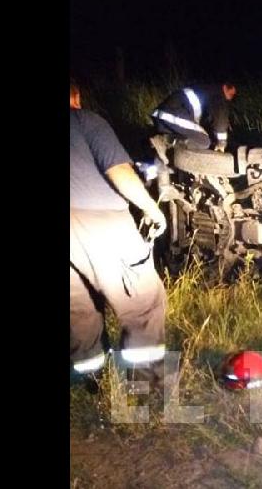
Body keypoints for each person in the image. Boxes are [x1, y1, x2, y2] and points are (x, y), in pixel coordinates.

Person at [70, 77, 169, 383]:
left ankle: (89, 380)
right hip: (101, 222)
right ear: (75, 96)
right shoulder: (86, 120)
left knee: (78, 305)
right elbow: (118, 170)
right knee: (141, 300)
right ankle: (144, 380)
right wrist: (152, 210)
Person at [150, 82, 237, 151]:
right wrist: (221, 142)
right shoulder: (218, 96)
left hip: (161, 117)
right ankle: (164, 142)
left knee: (193, 137)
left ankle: (165, 145)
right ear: (225, 87)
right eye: (232, 94)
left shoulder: (207, 90)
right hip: (172, 115)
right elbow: (220, 121)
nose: (231, 98)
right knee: (203, 141)